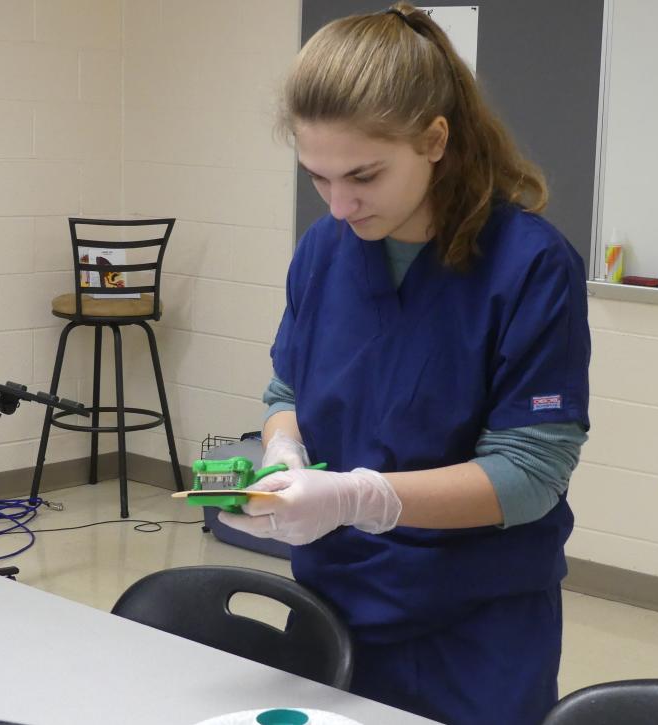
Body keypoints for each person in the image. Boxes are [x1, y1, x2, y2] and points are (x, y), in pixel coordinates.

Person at [219, 4, 591, 723]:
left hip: (473, 628)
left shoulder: (529, 266)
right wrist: (284, 451)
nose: (339, 205)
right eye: (318, 177)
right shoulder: (326, 250)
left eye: (362, 175)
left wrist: (361, 498)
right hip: (332, 603)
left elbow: (531, 473)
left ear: (434, 139)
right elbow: (286, 384)